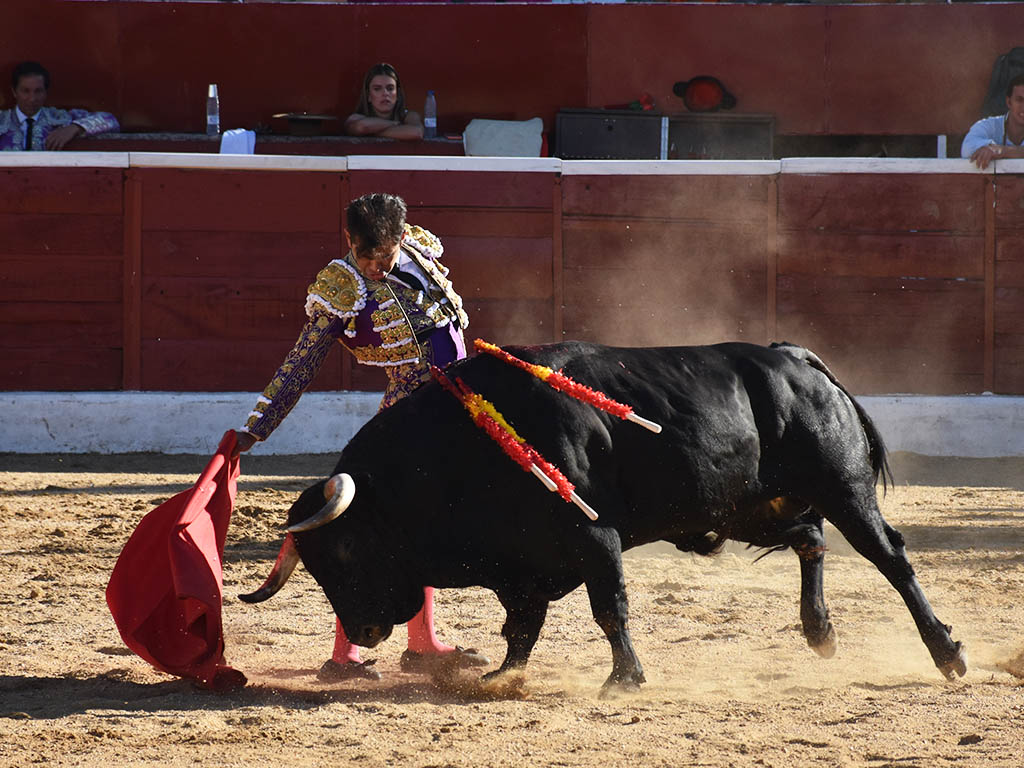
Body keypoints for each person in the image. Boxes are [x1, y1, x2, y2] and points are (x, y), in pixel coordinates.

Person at [235, 192, 487, 682]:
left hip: (457, 408)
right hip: (410, 416)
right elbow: (302, 362)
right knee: (379, 529)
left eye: (384, 256)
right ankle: (344, 656)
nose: (374, 267)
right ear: (349, 240)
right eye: (365, 255)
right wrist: (257, 426)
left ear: (401, 238)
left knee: (424, 526)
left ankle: (423, 643)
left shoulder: (420, 249)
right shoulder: (341, 287)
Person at [0, 61, 119, 151]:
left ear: (46, 92)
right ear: (14, 92)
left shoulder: (60, 118)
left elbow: (111, 120)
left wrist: (74, 128)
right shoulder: (2, 120)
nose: (32, 98)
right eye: (25, 91)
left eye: (38, 91)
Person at [342, 63, 424, 141]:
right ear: (368, 95)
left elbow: (417, 132)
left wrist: (371, 132)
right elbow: (362, 127)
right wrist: (396, 124)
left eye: (390, 88)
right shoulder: (355, 118)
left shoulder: (409, 116)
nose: (385, 93)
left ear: (398, 94)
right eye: (377, 89)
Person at [962, 73, 1024, 169]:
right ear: (1009, 102)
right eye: (1019, 100)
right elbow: (966, 148)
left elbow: (999, 151)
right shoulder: (989, 125)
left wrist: (1002, 151)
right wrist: (987, 148)